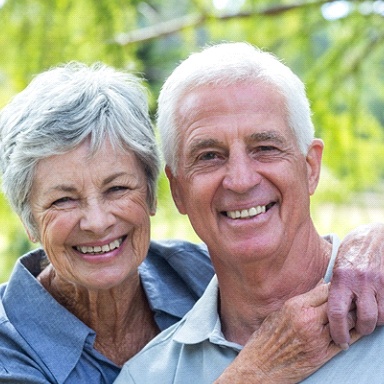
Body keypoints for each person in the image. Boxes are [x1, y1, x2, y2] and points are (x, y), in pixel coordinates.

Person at [0, 61, 382, 384]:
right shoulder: (10, 353)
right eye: (64, 199)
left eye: (117, 188)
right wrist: (257, 371)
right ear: (28, 219)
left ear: (153, 194)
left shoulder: (190, 270)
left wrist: (371, 241)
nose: (97, 222)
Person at [115, 42, 384, 383]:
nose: (240, 180)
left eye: (265, 148)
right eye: (209, 155)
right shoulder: (148, 377)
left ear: (310, 168)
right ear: (178, 190)